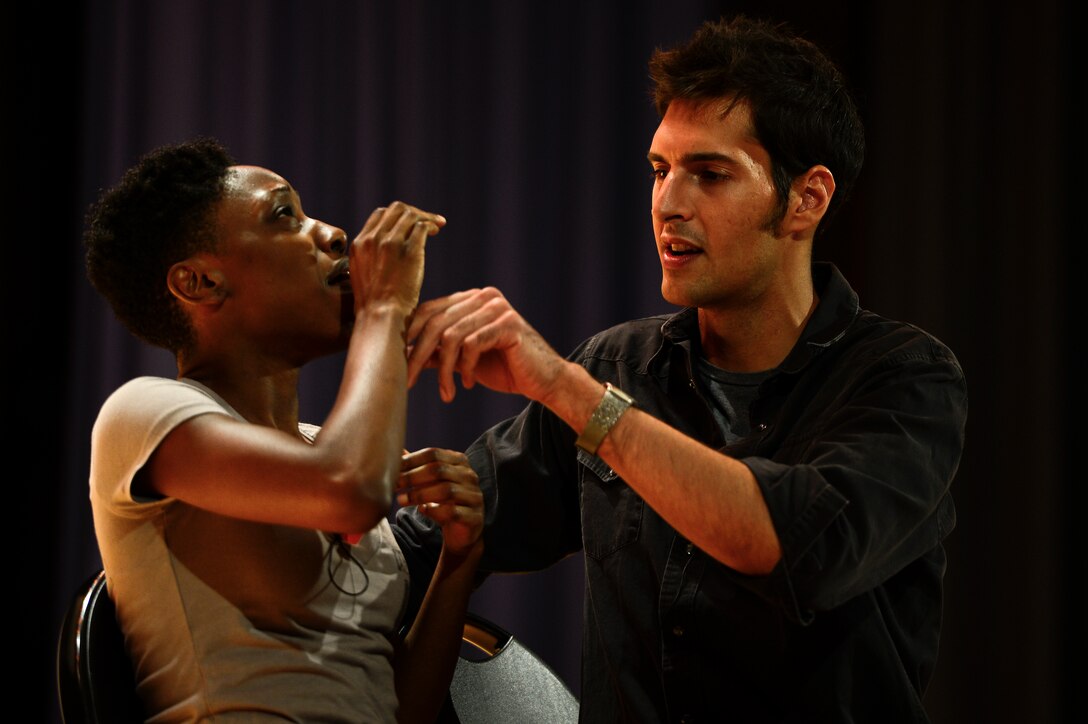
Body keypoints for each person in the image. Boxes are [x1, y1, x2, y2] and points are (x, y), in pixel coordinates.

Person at [396, 15, 967, 723]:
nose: (668, 204)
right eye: (660, 171)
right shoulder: (618, 365)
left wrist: (566, 389)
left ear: (807, 199)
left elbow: (785, 544)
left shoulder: (906, 379)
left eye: (710, 175)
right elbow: (415, 547)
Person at [84, 138, 483, 723]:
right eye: (284, 216)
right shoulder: (143, 413)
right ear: (199, 283)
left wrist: (458, 563)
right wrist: (384, 310)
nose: (334, 235)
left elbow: (397, 711)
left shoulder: (331, 449)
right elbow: (347, 490)